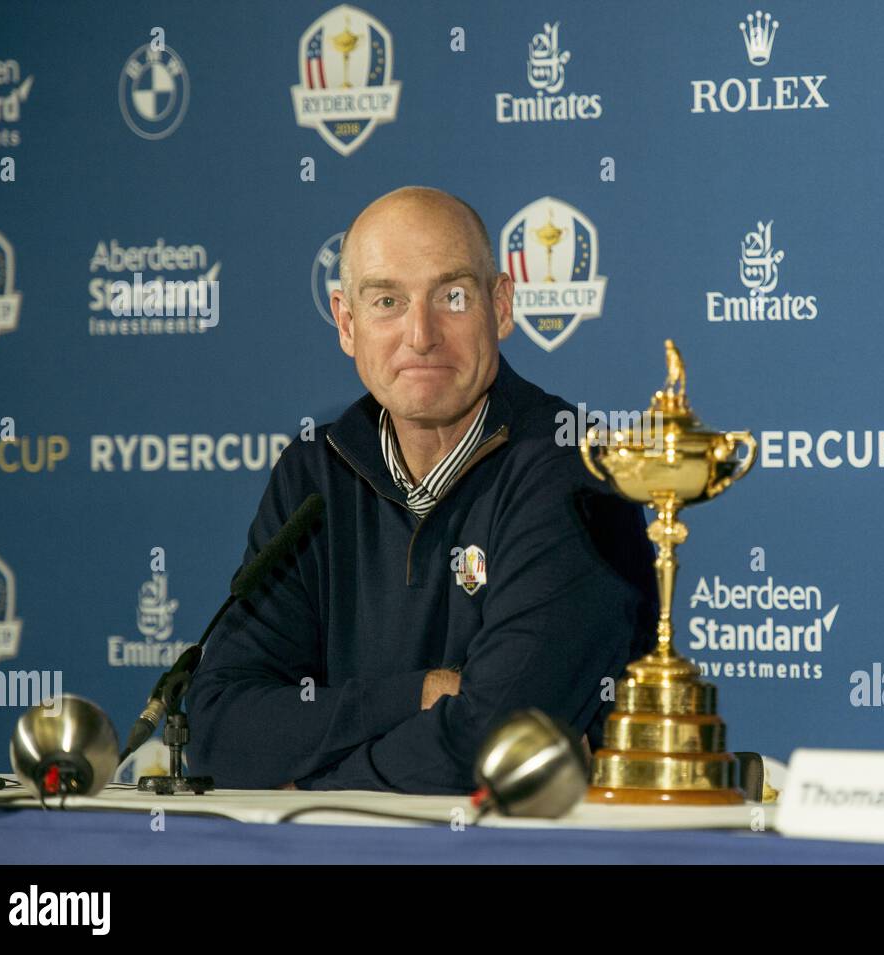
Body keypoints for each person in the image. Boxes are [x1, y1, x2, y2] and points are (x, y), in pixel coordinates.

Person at [185, 187, 657, 793]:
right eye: (387, 301)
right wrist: (419, 694)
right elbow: (217, 729)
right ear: (347, 323)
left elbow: (499, 737)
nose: (421, 334)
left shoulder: (575, 467)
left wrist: (314, 789)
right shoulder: (312, 474)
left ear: (502, 306)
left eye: (452, 297)